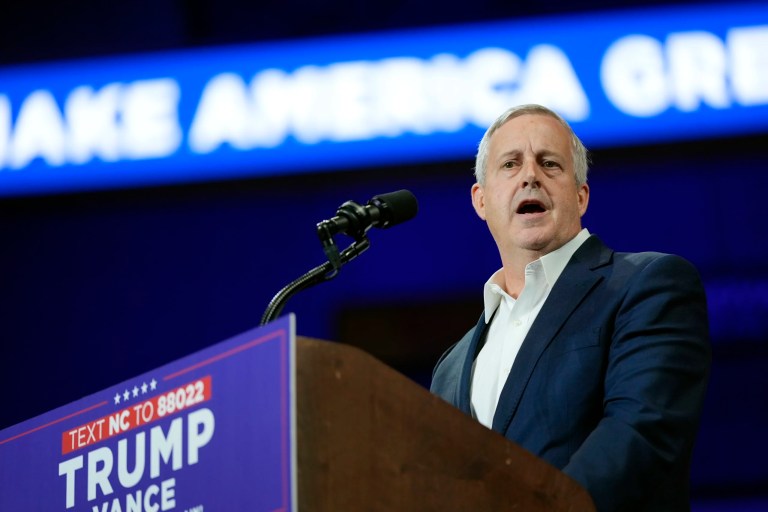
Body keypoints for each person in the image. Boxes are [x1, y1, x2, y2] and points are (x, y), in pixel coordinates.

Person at [430, 104, 711, 512]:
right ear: (481, 201)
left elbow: (639, 438)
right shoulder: (451, 366)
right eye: (510, 164)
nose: (530, 176)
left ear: (580, 196)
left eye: (550, 164)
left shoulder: (648, 285)